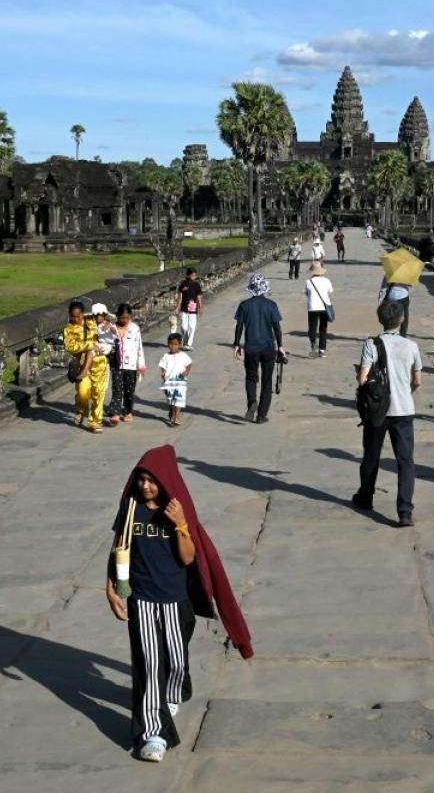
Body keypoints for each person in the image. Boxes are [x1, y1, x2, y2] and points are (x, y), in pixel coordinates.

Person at [106, 444, 253, 762]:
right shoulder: (131, 507)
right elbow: (120, 546)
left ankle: (173, 691)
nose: (146, 485)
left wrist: (182, 524)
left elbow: (188, 557)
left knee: (174, 656)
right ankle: (152, 732)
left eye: (152, 480)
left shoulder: (176, 508)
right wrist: (111, 588)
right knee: (148, 665)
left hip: (175, 599)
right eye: (142, 478)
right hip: (141, 598)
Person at [353, 300, 422, 527]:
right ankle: (405, 511)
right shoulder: (411, 346)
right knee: (405, 460)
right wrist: (405, 392)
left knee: (371, 455)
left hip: (377, 410)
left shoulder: (371, 344)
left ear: (380, 319)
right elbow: (417, 381)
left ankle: (365, 497)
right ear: (401, 319)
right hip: (403, 409)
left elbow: (363, 378)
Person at [233, 274, 286, 424]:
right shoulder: (271, 305)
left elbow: (239, 327)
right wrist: (280, 346)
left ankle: (252, 403)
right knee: (267, 381)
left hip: (251, 348)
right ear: (264, 288)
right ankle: (261, 415)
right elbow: (277, 328)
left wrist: (236, 344)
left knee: (251, 378)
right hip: (268, 347)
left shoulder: (244, 305)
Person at [63, 300, 109, 433]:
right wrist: (88, 346)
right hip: (82, 364)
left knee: (98, 394)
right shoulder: (68, 329)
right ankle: (80, 409)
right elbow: (70, 347)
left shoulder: (91, 320)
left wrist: (107, 323)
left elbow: (108, 319)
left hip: (99, 362)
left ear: (83, 314)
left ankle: (95, 422)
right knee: (83, 393)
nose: (76, 319)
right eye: (73, 316)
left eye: (78, 316)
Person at [110, 303, 146, 424]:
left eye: (126, 318)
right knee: (117, 388)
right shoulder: (112, 328)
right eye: (121, 318)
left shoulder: (135, 329)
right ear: (117, 317)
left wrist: (141, 365)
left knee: (129, 390)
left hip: (131, 364)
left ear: (130, 316)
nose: (124, 320)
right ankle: (115, 412)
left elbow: (139, 347)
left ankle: (127, 411)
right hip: (116, 363)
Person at [159, 333, 192, 427]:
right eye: (171, 344)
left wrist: (186, 372)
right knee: (171, 400)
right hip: (168, 382)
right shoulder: (165, 356)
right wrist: (163, 372)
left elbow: (189, 364)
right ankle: (171, 410)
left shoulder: (183, 355)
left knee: (179, 399)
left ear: (180, 344)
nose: (173, 346)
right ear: (167, 344)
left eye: (175, 344)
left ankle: (177, 417)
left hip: (180, 381)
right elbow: (162, 366)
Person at [306, 262, 333, 358]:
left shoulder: (309, 282)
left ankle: (313, 344)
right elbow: (330, 292)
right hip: (324, 307)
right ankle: (322, 350)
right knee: (323, 328)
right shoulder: (327, 280)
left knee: (312, 328)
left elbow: (307, 293)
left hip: (312, 307)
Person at [175, 267, 203, 351]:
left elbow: (199, 297)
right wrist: (177, 307)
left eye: (195, 275)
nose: (194, 276)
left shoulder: (197, 285)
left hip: (193, 308)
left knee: (192, 326)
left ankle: (189, 344)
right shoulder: (183, 285)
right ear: (188, 275)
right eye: (192, 275)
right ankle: (185, 342)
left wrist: (200, 307)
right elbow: (180, 298)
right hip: (184, 308)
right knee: (184, 327)